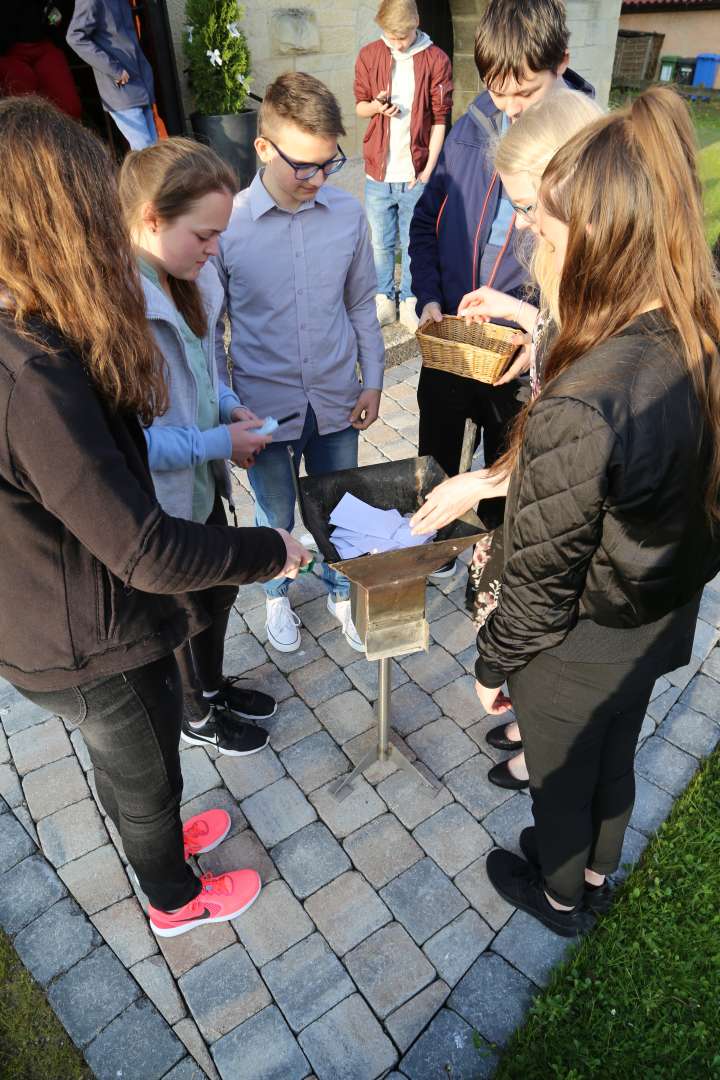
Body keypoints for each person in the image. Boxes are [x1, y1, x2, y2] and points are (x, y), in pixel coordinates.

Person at [0, 97, 311, 937]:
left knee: (151, 761)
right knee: (143, 773)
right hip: (83, 639)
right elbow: (142, 546)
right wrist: (269, 548)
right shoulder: (29, 375)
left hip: (73, 604)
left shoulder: (34, 335)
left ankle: (164, 844)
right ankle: (174, 897)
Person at [471, 86, 720, 937]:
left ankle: (563, 896)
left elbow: (538, 582)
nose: (533, 240)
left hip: (579, 644)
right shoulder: (699, 322)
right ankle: (603, 872)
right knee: (619, 751)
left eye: (544, 225)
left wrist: (491, 660)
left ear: (601, 239)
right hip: (660, 614)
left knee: (562, 779)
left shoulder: (585, 402)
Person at [412, 86, 604, 794]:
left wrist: (487, 483)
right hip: (545, 514)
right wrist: (528, 316)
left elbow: (574, 458)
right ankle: (531, 720)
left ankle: (544, 754)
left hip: (576, 563)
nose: (520, 230)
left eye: (528, 210)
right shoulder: (578, 282)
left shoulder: (612, 320)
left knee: (551, 672)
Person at [409, 0, 593, 581]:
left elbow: (586, 274)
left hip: (521, 351)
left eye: (526, 95)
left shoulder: (589, 145)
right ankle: (435, 536)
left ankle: (489, 554)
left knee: (505, 456)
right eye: (497, 92)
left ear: (561, 64)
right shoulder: (472, 123)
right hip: (455, 337)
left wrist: (535, 330)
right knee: (435, 441)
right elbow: (425, 220)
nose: (509, 111)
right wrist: (430, 297)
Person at [214, 72, 385, 655]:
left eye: (329, 163)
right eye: (304, 166)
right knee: (274, 512)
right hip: (261, 407)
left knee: (339, 503)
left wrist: (376, 379)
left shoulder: (347, 215)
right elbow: (213, 335)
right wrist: (226, 411)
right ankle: (278, 596)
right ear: (263, 148)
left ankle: (339, 586)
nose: (317, 179)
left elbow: (361, 303)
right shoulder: (228, 227)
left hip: (337, 394)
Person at [119, 137, 280, 758]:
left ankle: (211, 688)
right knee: (184, 612)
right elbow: (133, 443)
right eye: (205, 235)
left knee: (218, 592)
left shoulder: (187, 276)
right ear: (152, 219)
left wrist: (227, 408)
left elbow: (199, 372)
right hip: (160, 502)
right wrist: (219, 437)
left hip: (201, 483)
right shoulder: (121, 310)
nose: (215, 251)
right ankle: (192, 711)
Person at [354, 0, 452, 331]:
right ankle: (384, 298)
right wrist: (377, 107)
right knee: (380, 242)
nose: (396, 42)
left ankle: (410, 299)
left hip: (415, 172)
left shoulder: (436, 58)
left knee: (414, 241)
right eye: (390, 36)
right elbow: (359, 108)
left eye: (402, 35)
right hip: (378, 172)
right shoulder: (369, 54)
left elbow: (440, 119)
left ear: (416, 24)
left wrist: (427, 170)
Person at [67, 0, 157, 149]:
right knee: (146, 151)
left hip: (139, 82)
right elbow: (75, 38)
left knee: (152, 149)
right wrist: (114, 70)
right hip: (121, 88)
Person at [0, 2, 81, 118]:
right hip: (9, 52)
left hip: (45, 44)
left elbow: (58, 16)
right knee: (23, 107)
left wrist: (55, 21)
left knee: (69, 106)